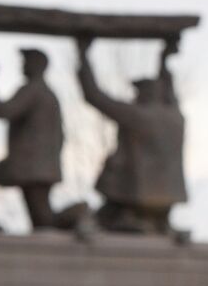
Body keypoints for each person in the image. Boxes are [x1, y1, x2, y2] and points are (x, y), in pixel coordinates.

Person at [77, 36, 187, 234]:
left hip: (134, 199)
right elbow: (169, 92)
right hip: (166, 202)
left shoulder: (137, 116)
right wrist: (163, 60)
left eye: (137, 92)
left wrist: (83, 55)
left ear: (143, 94)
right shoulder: (174, 115)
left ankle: (114, 221)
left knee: (114, 165)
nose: (134, 97)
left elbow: (94, 96)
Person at [0, 48, 88, 231]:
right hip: (40, 167)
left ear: (37, 65)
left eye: (26, 61)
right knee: (42, 220)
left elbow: (4, 110)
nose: (22, 65)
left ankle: (79, 214)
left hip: (30, 167)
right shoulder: (47, 93)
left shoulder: (34, 90)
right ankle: (77, 216)